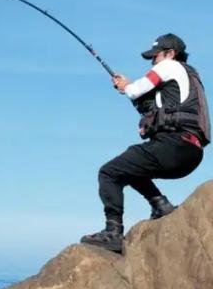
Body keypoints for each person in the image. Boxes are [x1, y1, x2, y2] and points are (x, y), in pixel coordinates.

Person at [80, 33, 211, 253]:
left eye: (155, 56)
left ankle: (113, 232)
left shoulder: (170, 65)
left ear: (170, 54)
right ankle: (160, 205)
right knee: (130, 166)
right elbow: (151, 105)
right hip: (191, 154)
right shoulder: (183, 82)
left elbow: (135, 89)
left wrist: (127, 85)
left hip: (175, 146)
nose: (153, 61)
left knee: (109, 173)